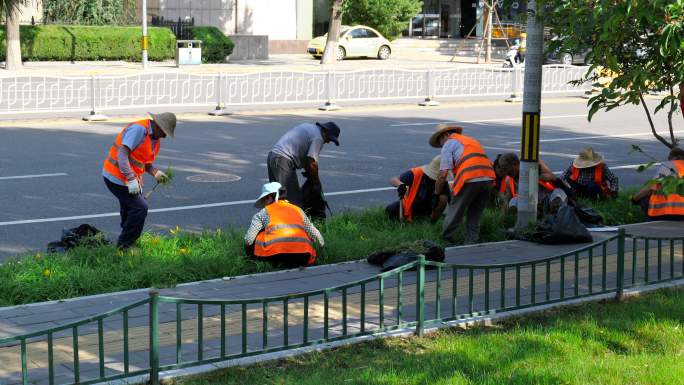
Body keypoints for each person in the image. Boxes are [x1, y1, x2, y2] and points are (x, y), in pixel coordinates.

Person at [102, 112, 176, 249]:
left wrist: (155, 172)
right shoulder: (139, 130)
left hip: (129, 179)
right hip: (116, 176)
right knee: (140, 208)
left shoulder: (154, 139)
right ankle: (125, 245)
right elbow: (122, 154)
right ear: (159, 126)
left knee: (130, 209)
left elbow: (142, 162)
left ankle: (126, 242)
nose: (165, 136)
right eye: (165, 132)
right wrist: (130, 178)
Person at [430, 124, 496, 244]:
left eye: (440, 142)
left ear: (445, 135)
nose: (441, 146)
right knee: (475, 214)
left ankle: (445, 239)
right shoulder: (470, 141)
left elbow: (443, 173)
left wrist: (436, 193)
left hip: (469, 177)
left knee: (455, 211)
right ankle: (471, 243)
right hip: (488, 177)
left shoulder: (448, 143)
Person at [244, 182, 325, 267]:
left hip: (275, 256)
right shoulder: (298, 210)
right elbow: (316, 235)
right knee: (304, 233)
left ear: (269, 197)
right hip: (303, 256)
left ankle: (256, 263)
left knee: (257, 234)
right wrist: (322, 250)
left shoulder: (262, 213)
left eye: (264, 199)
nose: (264, 203)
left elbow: (248, 240)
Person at [267, 122, 341, 207]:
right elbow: (312, 162)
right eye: (329, 138)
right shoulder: (319, 137)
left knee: (277, 197)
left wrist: (310, 173)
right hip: (283, 161)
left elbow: (306, 158)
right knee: (293, 201)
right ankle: (293, 220)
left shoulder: (309, 127)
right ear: (324, 131)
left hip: (273, 157)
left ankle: (272, 219)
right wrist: (317, 183)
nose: (327, 142)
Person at [385, 155, 449, 223]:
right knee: (390, 210)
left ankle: (431, 222)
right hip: (411, 204)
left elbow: (450, 201)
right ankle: (409, 217)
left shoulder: (443, 181)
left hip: (430, 206)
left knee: (443, 199)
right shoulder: (416, 173)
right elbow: (393, 180)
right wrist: (400, 184)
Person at [494, 153, 565, 211]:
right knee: (513, 201)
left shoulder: (533, 164)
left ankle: (555, 207)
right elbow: (508, 199)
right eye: (504, 170)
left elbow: (553, 177)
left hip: (546, 198)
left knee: (558, 192)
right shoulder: (509, 180)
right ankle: (515, 214)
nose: (506, 173)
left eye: (508, 169)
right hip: (526, 204)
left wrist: (536, 176)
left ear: (516, 164)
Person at [631, 147, 684, 220]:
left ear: (672, 158)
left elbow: (650, 188)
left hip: (664, 213)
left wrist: (634, 199)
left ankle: (655, 222)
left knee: (644, 198)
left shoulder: (669, 166)